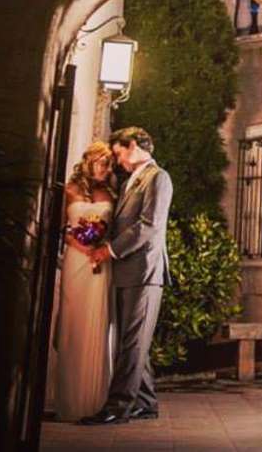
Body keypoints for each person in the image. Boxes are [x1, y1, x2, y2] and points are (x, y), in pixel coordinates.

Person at [81, 126, 173, 425]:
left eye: (119, 154)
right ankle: (145, 403)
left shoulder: (158, 177)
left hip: (143, 271)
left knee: (132, 341)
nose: (118, 162)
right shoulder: (133, 179)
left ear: (132, 145)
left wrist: (109, 250)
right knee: (132, 340)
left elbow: (149, 225)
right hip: (127, 271)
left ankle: (118, 407)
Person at [52, 141, 116, 421]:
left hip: (100, 265)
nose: (106, 168)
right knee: (72, 324)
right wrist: (81, 245)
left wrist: (99, 244)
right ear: (89, 161)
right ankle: (66, 399)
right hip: (76, 261)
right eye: (102, 162)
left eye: (110, 163)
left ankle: (92, 400)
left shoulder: (111, 193)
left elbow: (116, 229)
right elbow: (59, 229)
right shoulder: (69, 190)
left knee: (95, 325)